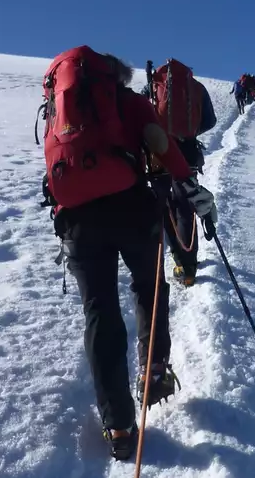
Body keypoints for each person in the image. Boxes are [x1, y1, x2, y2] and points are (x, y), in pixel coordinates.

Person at [39, 46, 218, 461]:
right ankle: (152, 372)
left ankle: (118, 425)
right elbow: (157, 140)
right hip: (132, 207)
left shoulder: (57, 111)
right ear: (114, 76)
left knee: (99, 311)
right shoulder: (128, 102)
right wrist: (187, 182)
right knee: (149, 286)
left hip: (78, 220)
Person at [163, 80, 217, 286]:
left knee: (168, 210)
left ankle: (182, 264)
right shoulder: (194, 87)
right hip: (188, 157)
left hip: (160, 158)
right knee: (186, 208)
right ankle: (189, 266)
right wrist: (189, 134)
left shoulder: (153, 86)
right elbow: (210, 121)